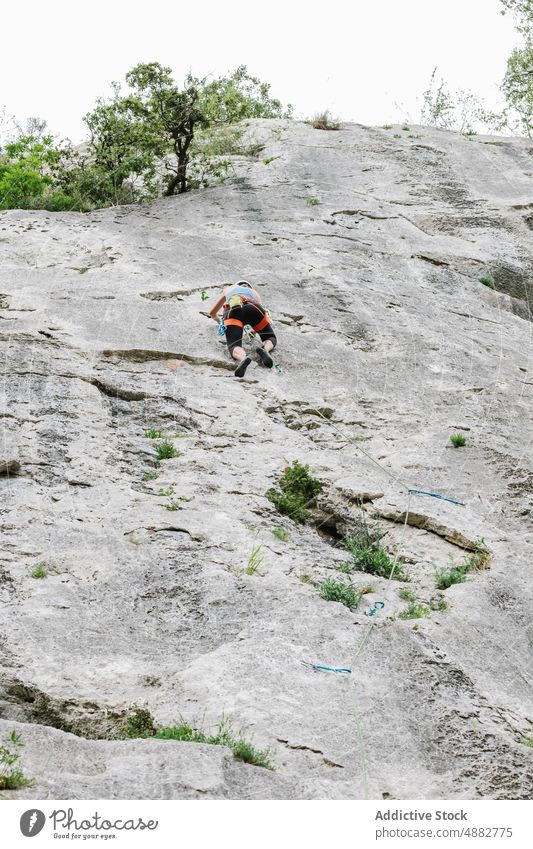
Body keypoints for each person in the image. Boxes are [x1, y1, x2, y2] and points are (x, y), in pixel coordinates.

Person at [209, 281, 277, 377]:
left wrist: (218, 320)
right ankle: (265, 349)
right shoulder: (253, 292)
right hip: (254, 309)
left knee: (234, 345)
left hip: (233, 312)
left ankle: (242, 358)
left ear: (236, 285)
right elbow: (261, 310)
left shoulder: (229, 289)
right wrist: (253, 331)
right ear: (249, 286)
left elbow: (212, 312)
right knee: (269, 336)